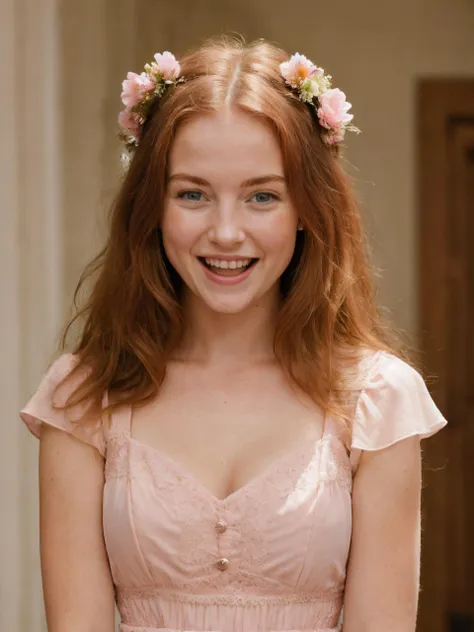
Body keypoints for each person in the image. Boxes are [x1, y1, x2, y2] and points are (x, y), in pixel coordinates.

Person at [20, 35, 447, 632]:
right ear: (152, 208)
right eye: (192, 194)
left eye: (262, 197)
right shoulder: (85, 397)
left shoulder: (378, 399)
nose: (225, 231)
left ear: (307, 210)